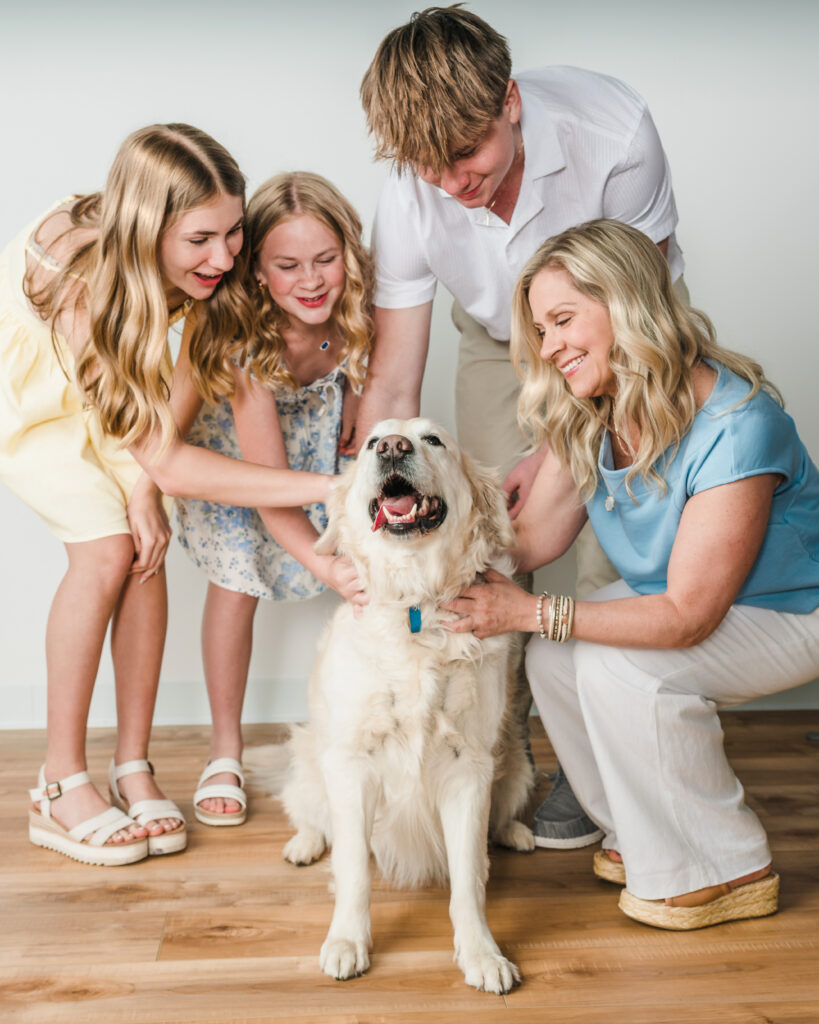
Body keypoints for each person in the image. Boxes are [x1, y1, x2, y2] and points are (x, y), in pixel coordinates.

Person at [356, 4, 689, 847]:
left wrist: (554, 450)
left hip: (624, 331)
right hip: (495, 338)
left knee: (609, 544)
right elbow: (392, 376)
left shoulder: (613, 131)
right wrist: (360, 499)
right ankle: (509, 749)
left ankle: (607, 757)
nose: (450, 182)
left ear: (508, 100)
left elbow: (627, 324)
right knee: (489, 537)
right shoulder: (410, 191)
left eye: (465, 154)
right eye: (428, 166)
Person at [443, 219, 819, 929]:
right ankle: (640, 833)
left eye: (563, 321)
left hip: (795, 610)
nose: (548, 347)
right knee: (556, 658)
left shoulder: (738, 425)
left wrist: (526, 612)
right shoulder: (592, 407)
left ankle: (725, 867)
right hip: (698, 598)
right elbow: (532, 542)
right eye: (541, 330)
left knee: (621, 667)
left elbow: (686, 618)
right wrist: (428, 551)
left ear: (625, 304)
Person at [0, 124, 332, 866]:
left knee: (145, 550)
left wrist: (145, 489)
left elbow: (167, 427)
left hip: (117, 382)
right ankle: (58, 783)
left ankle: (132, 765)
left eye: (234, 231)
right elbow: (171, 460)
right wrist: (330, 487)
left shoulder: (207, 276)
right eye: (200, 240)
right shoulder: (81, 282)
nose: (224, 257)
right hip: (35, 394)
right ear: (148, 230)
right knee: (107, 549)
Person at [174, 172, 371, 826]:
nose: (310, 281)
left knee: (374, 561)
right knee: (238, 582)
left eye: (325, 260)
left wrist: (358, 398)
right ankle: (224, 749)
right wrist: (324, 565)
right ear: (257, 270)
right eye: (287, 266)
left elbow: (377, 377)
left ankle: (369, 727)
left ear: (349, 255)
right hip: (243, 463)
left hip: (320, 449)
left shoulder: (361, 312)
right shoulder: (245, 342)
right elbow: (268, 488)